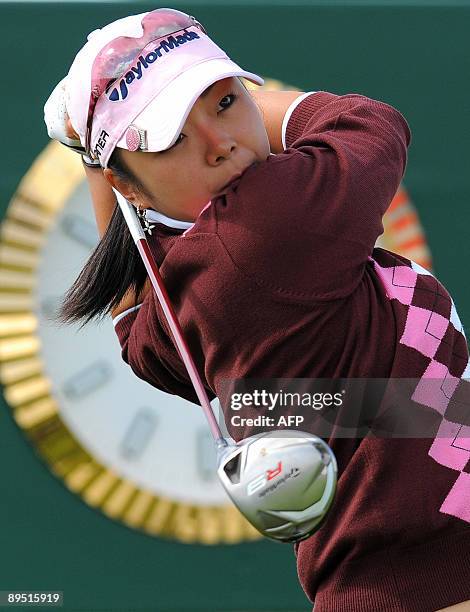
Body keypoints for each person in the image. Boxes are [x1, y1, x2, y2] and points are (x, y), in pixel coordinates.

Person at [44, 8, 470, 611]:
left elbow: (132, 329)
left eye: (222, 104)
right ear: (132, 186)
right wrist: (246, 103)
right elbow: (371, 126)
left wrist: (97, 161)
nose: (221, 146)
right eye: (174, 138)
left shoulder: (184, 294)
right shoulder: (268, 222)